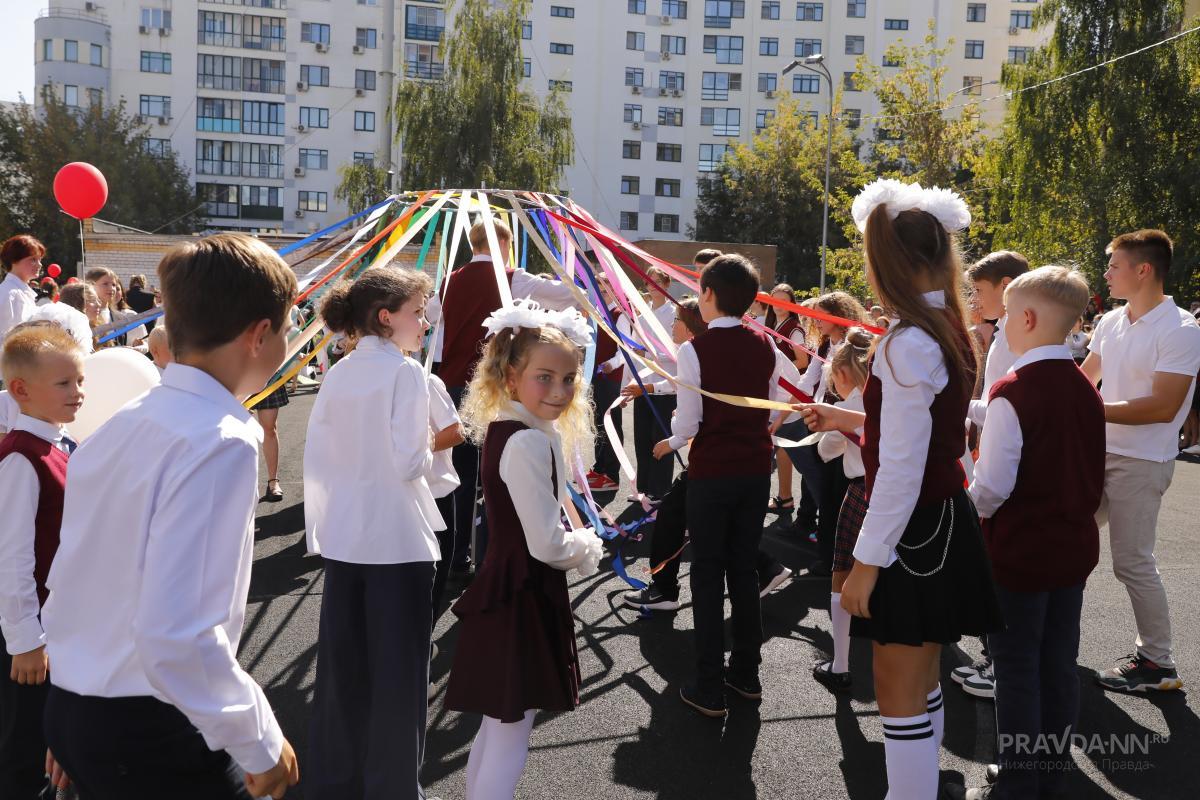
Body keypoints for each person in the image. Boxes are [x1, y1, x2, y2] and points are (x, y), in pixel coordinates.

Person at [41, 234, 300, 800]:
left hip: (85, 706)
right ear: (259, 335)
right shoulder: (220, 440)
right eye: (287, 327)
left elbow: (76, 577)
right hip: (149, 728)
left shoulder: (125, 422)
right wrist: (258, 738)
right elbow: (178, 636)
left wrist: (73, 699)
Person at [799, 179, 1002, 799]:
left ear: (888, 263)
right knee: (923, 676)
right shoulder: (944, 326)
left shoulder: (907, 341)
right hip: (938, 518)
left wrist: (866, 562)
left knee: (897, 687)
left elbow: (900, 468)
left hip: (912, 529)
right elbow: (917, 436)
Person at [444, 300, 604, 800]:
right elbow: (548, 543)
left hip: (509, 584)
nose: (559, 391)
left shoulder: (511, 428)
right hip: (524, 591)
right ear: (510, 377)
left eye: (569, 378)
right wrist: (586, 544)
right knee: (512, 727)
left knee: (499, 722)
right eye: (545, 377)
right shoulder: (528, 441)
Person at [963, 266, 1105, 800]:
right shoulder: (1084, 387)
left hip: (1020, 553)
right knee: (1058, 663)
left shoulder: (1013, 390)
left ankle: (1019, 779)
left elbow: (992, 487)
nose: (999, 327)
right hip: (1071, 549)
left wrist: (965, 510)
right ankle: (1050, 769)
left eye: (1003, 318)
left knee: (1017, 667)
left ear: (1025, 318)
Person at [303, 266, 443, 799]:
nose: (425, 322)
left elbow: (319, 459)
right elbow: (410, 463)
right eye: (417, 313)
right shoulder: (406, 373)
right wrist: (432, 447)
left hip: (345, 537)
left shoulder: (339, 371)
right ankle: (393, 789)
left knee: (342, 674)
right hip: (397, 541)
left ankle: (334, 782)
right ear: (386, 318)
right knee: (400, 680)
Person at [652, 254, 799, 718]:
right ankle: (746, 674)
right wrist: (762, 426)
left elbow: (689, 422)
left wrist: (672, 438)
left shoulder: (694, 351)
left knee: (708, 572)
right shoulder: (765, 343)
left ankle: (709, 683)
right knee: (742, 568)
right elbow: (789, 388)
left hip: (713, 473)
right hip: (755, 472)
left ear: (709, 294)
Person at [1081, 229, 1200, 692]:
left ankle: (1157, 663)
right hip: (1099, 453)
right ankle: (1051, 637)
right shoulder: (1111, 320)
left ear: (1143, 270)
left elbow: (1163, 406)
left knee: (1131, 562)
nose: (1106, 273)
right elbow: (1085, 379)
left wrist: (1084, 411)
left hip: (1143, 460)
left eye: (1114, 265)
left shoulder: (1182, 329)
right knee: (1066, 541)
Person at [425, 218, 576, 572]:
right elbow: (565, 294)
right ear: (503, 244)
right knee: (496, 472)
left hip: (452, 385)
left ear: (473, 244)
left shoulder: (449, 282)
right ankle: (492, 554)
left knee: (459, 473)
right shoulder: (512, 278)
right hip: (493, 388)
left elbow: (432, 317)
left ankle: (456, 555)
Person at [0, 324, 83, 798]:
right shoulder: (20, 457)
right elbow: (10, 556)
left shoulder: (60, 443)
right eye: (64, 383)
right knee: (24, 748)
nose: (78, 392)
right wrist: (25, 641)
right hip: (32, 634)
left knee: (52, 739)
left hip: (57, 622)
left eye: (79, 381)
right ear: (21, 389)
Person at [957, 250, 1030, 700]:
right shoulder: (1003, 332)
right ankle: (999, 657)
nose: (973, 299)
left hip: (1004, 456)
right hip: (995, 445)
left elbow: (1003, 404)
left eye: (979, 290)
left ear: (1006, 288)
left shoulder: (1009, 337)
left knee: (1000, 562)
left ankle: (1002, 663)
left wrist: (959, 407)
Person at [810, 327, 873, 692]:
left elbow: (825, 450)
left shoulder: (847, 407)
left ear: (843, 373)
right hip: (897, 491)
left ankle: (841, 663)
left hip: (862, 491)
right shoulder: (885, 400)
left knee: (842, 573)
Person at [626, 265, 678, 501]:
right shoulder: (642, 314)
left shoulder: (673, 313)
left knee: (661, 439)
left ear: (666, 284)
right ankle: (644, 488)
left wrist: (647, 353)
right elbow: (634, 349)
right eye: (649, 281)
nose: (652, 286)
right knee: (642, 438)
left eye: (657, 281)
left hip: (665, 386)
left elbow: (676, 351)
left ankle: (660, 490)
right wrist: (629, 381)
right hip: (643, 385)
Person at [586, 273, 633, 492]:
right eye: (599, 291)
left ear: (614, 292)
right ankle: (600, 467)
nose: (602, 295)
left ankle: (611, 474)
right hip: (594, 376)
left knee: (610, 423)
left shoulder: (619, 315)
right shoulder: (596, 312)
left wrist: (611, 364)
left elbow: (625, 350)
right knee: (596, 423)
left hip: (610, 378)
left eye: (606, 291)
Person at [0, 236, 43, 342]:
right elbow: (5, 338)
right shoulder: (9, 294)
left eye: (40, 259)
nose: (39, 264)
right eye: (33, 259)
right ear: (14, 260)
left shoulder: (20, 292)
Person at [30, 284, 95, 354]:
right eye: (92, 300)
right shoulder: (77, 318)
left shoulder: (45, 308)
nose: (98, 304)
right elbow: (84, 354)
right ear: (80, 301)